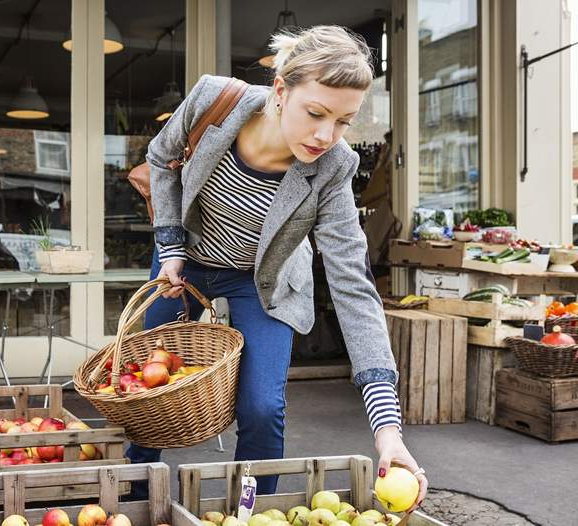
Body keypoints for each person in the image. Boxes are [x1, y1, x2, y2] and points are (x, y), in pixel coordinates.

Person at [128, 25, 427, 511]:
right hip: (184, 260)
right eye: (315, 114)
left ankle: (252, 513)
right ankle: (137, 495)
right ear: (281, 91)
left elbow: (353, 286)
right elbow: (161, 159)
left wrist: (387, 430)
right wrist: (169, 244)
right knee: (145, 386)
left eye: (344, 122)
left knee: (263, 408)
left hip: (263, 281)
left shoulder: (334, 167)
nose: (326, 135)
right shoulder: (215, 99)